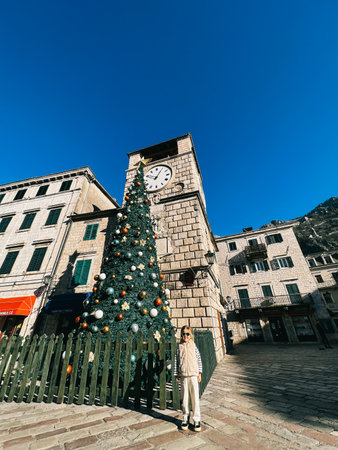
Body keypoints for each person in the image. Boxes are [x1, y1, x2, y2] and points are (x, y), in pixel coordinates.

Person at [174, 325, 203, 432]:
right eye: (183, 334)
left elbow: (198, 358)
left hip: (194, 374)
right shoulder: (179, 346)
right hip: (184, 375)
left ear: (190, 335)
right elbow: (176, 360)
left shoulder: (193, 345)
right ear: (181, 335)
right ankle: (185, 417)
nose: (185, 336)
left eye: (187, 334)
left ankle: (196, 419)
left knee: (195, 397)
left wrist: (199, 373)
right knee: (185, 398)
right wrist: (176, 373)